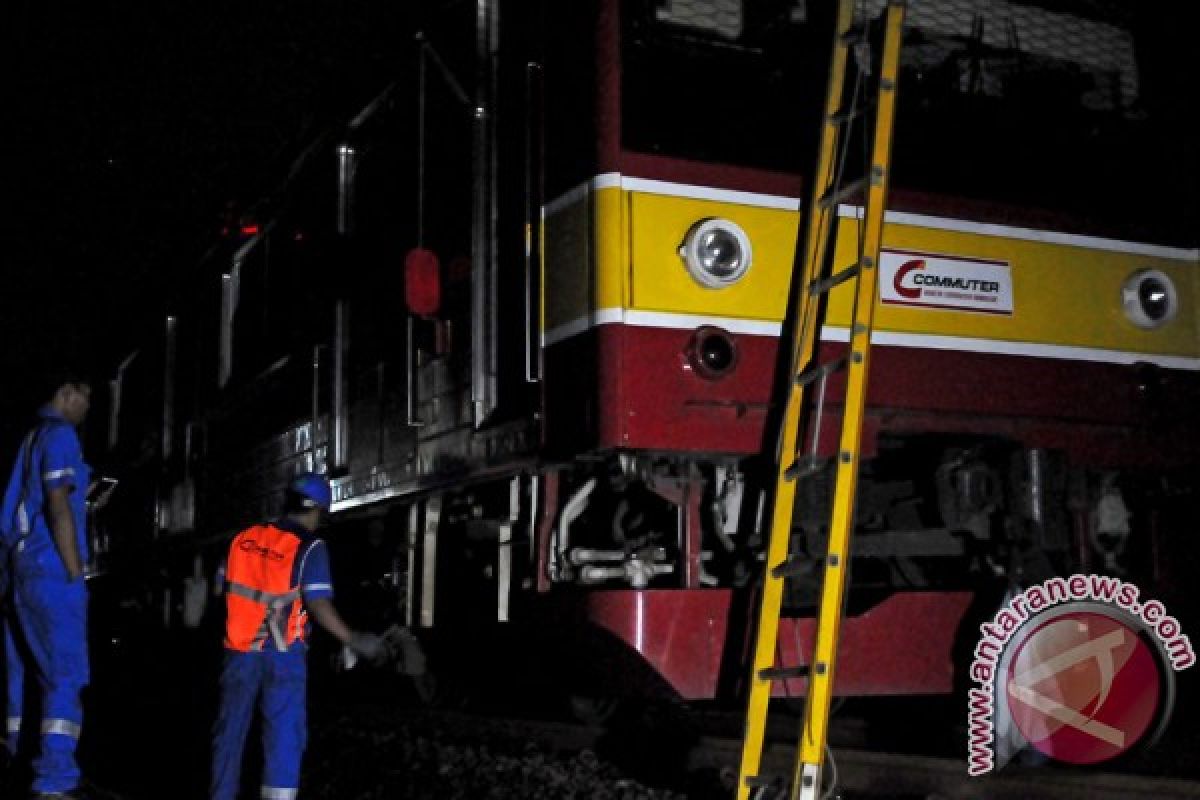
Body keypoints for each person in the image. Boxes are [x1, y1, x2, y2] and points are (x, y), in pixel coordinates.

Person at [210, 472, 384, 800]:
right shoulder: (310, 547)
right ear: (317, 510)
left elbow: (220, 590)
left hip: (238, 652)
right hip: (282, 656)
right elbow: (318, 604)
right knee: (283, 739)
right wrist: (353, 639)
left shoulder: (241, 539)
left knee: (229, 735)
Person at [0, 371, 93, 799]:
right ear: (66, 391)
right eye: (85, 399)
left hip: (20, 573)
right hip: (51, 572)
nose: (87, 409)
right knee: (64, 673)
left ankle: (19, 756)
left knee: (28, 672)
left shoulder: (30, 440)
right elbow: (58, 506)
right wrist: (76, 571)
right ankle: (55, 780)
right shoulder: (59, 436)